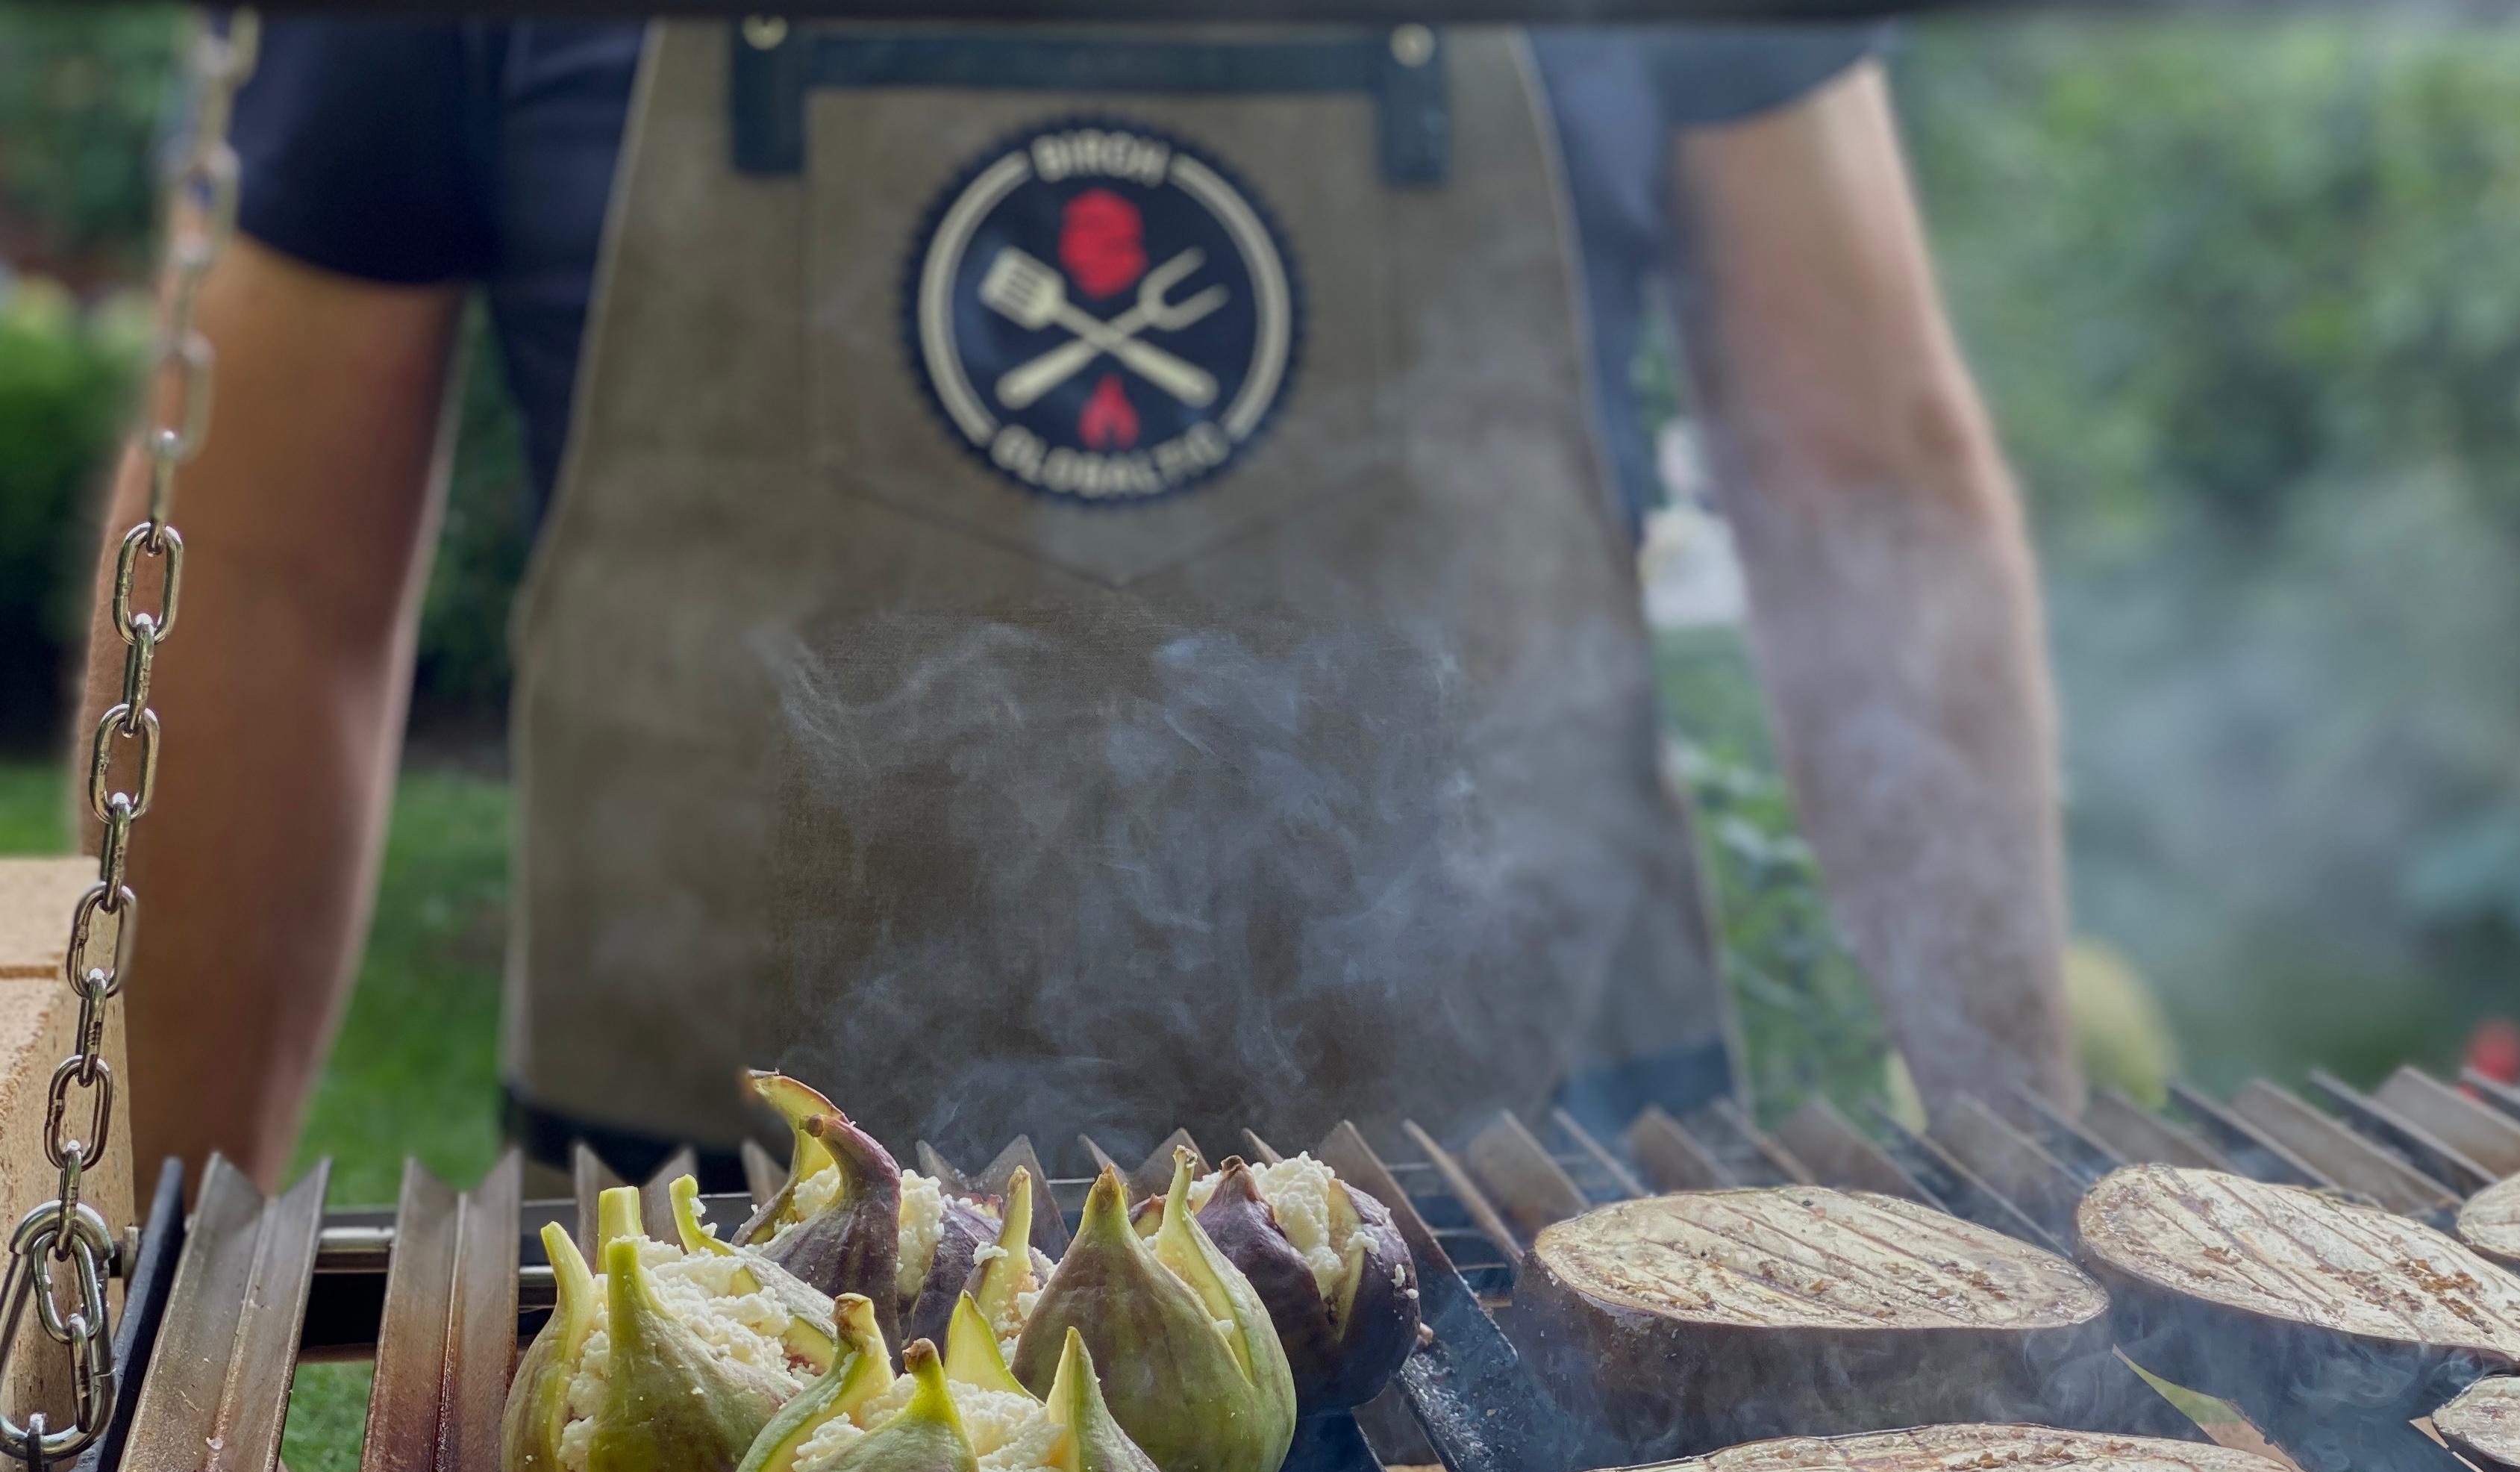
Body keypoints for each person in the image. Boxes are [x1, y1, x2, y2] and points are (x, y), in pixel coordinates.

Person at [81, 16, 2075, 1211]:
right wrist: (160, 1323)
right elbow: (264, 576)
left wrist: (2024, 1171)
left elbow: (1864, 483)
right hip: (726, 1268)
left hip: (1519, 1231)